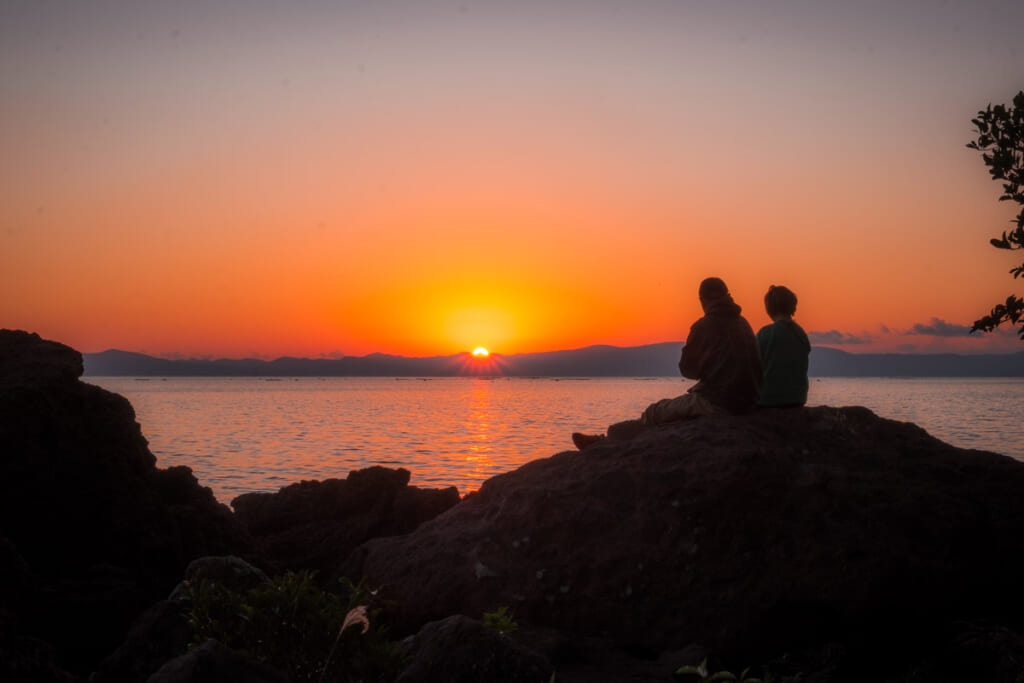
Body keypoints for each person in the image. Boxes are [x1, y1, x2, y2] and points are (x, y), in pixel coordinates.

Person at [572, 277, 762, 449]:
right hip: (749, 401)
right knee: (676, 414)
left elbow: (688, 370)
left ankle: (604, 444)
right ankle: (605, 440)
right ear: (727, 295)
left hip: (722, 402)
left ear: (702, 300)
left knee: (654, 412)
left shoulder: (704, 325)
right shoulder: (743, 323)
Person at [756, 284, 810, 408]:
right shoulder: (801, 334)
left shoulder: (766, 333)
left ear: (769, 308)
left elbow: (751, 363)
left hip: (768, 398)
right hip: (798, 398)